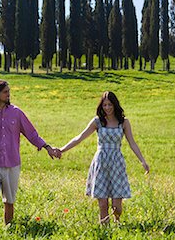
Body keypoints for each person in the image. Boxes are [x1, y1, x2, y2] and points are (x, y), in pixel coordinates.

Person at [0, 79, 60, 234]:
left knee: (9, 201)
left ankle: (9, 231)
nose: (8, 94)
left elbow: (31, 134)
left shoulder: (16, 113)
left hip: (12, 162)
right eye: (5, 92)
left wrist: (47, 147)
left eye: (8, 91)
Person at [59, 91, 149, 225]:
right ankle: (104, 229)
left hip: (116, 162)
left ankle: (117, 222)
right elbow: (79, 138)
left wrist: (142, 161)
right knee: (102, 203)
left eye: (110, 105)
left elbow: (132, 143)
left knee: (117, 205)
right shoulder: (97, 122)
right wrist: (62, 150)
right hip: (101, 161)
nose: (107, 108)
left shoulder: (123, 122)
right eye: (105, 105)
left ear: (115, 105)